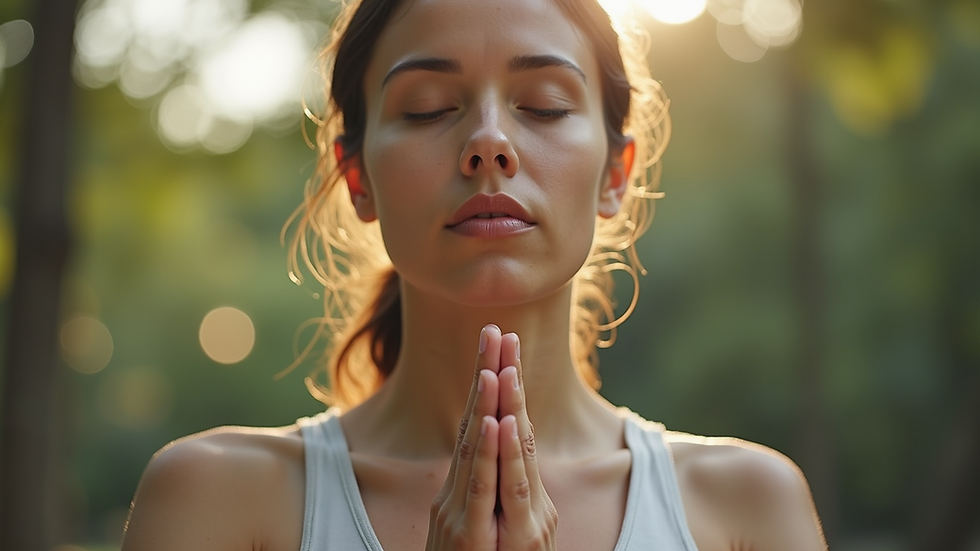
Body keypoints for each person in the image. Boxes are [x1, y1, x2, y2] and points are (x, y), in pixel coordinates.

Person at [121, 0, 828, 549]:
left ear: (616, 174)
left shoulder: (747, 509)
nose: (489, 142)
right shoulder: (215, 502)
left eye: (544, 104)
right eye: (429, 107)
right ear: (357, 175)